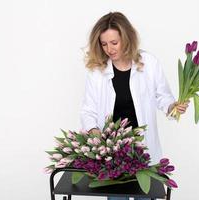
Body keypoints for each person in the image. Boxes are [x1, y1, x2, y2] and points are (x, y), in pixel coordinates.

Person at [80, 12, 189, 200]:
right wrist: (95, 134)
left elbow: (162, 96)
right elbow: (88, 110)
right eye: (104, 44)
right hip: (112, 153)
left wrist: (173, 107)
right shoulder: (97, 71)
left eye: (114, 43)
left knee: (145, 196)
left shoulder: (149, 63)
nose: (109, 49)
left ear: (127, 38)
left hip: (143, 150)